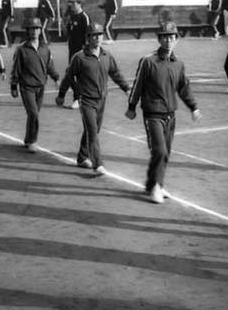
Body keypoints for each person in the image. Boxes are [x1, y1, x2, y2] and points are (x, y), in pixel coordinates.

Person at [125, 21, 201, 203]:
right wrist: (131, 106)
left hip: (170, 115)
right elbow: (138, 85)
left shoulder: (178, 64)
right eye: (165, 37)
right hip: (152, 114)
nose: (168, 40)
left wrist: (193, 107)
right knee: (159, 151)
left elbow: (184, 88)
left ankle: (154, 183)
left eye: (172, 37)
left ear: (177, 40)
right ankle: (156, 187)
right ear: (159, 39)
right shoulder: (148, 61)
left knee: (165, 153)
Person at [64, 23, 129, 174]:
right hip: (86, 100)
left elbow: (116, 74)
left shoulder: (107, 56)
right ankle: (98, 163)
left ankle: (81, 157)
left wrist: (126, 88)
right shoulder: (79, 57)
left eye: (100, 34)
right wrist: (62, 95)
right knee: (92, 131)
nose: (98, 38)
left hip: (101, 99)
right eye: (94, 35)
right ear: (88, 38)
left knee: (93, 129)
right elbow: (68, 76)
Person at [10, 17, 59, 152]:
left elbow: (50, 65)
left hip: (40, 86)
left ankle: (27, 138)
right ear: (27, 31)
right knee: (33, 114)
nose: (34, 31)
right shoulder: (21, 49)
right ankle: (32, 141)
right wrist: (14, 86)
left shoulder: (45, 49)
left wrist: (56, 78)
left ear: (40, 30)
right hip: (26, 86)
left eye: (37, 28)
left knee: (34, 113)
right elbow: (16, 69)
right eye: (31, 28)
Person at [56, 0, 90, 109]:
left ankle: (76, 99)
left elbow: (88, 36)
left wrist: (86, 52)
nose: (71, 5)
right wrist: (62, 25)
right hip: (72, 51)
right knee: (70, 74)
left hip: (81, 52)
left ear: (79, 3)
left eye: (73, 2)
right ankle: (62, 95)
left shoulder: (84, 18)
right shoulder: (72, 17)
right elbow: (67, 35)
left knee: (75, 75)